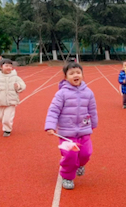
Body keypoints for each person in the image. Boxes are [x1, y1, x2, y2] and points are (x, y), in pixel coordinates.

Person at [45, 62, 98, 190]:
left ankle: (80, 164)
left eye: (78, 73)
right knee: (70, 155)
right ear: (65, 77)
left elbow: (92, 109)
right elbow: (53, 110)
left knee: (86, 153)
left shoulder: (89, 92)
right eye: (72, 73)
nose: (76, 75)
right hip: (66, 133)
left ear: (82, 75)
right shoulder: (61, 94)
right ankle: (67, 177)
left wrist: (94, 123)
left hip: (84, 130)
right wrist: (50, 126)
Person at [0, 59, 26, 137]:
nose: (9, 67)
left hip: (11, 101)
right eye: (6, 66)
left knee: (7, 118)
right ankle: (5, 124)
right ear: (1, 67)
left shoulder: (15, 77)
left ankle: (7, 130)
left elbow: (23, 86)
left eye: (10, 66)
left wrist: (18, 86)